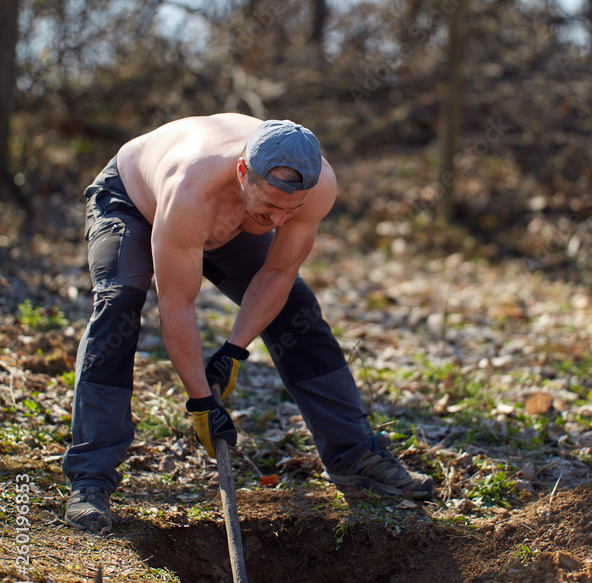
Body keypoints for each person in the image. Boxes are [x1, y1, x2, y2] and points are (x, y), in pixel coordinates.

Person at [62, 114, 434, 533]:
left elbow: (278, 275)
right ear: (243, 172)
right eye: (272, 205)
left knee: (297, 312)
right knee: (120, 303)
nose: (279, 222)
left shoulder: (317, 189)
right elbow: (178, 303)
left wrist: (235, 349)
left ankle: (354, 454)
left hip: (232, 220)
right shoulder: (191, 188)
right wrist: (201, 401)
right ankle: (91, 478)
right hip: (133, 202)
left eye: (289, 210)